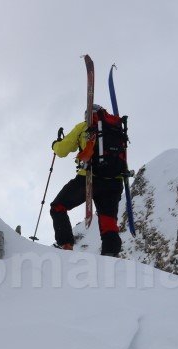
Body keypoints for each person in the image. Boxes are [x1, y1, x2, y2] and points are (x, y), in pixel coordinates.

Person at [49, 104, 125, 257]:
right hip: (114, 181)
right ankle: (111, 256)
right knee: (108, 221)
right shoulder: (115, 128)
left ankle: (66, 246)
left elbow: (62, 151)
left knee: (58, 207)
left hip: (89, 177)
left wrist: (56, 144)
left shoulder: (83, 127)